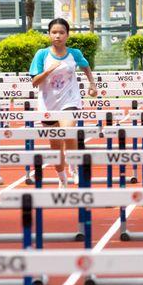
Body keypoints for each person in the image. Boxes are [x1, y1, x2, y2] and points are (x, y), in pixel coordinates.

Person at [30, 18, 97, 188]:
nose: (57, 36)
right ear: (49, 34)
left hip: (70, 100)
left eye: (61, 32)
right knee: (55, 147)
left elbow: (85, 66)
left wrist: (92, 84)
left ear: (67, 35)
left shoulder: (74, 53)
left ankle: (73, 167)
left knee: (68, 131)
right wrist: (48, 70)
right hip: (48, 104)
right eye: (54, 32)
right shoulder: (42, 54)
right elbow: (34, 82)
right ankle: (62, 178)